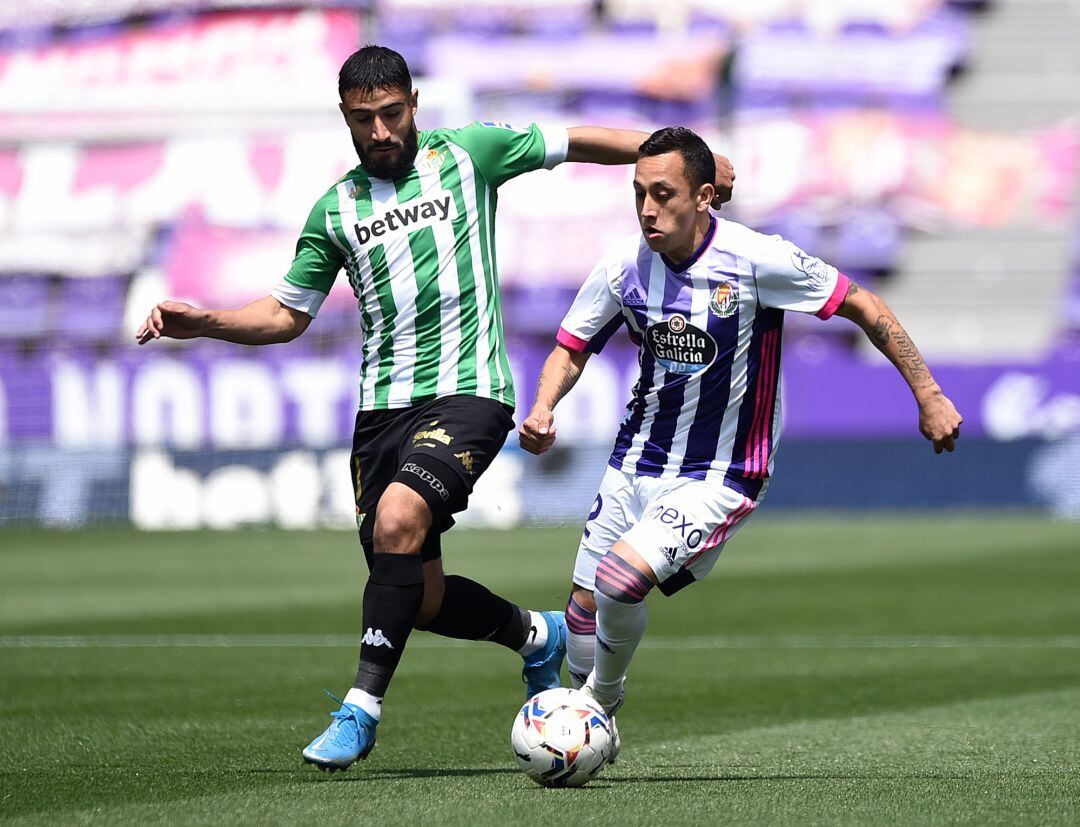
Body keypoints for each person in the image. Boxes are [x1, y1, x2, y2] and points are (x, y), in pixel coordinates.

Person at [134, 48, 736, 772]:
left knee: (398, 518)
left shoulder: (468, 154)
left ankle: (361, 708)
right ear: (347, 120)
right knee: (418, 595)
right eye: (366, 120)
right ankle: (536, 636)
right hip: (380, 414)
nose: (382, 130)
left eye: (392, 114)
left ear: (414, 103)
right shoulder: (336, 211)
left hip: (471, 391)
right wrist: (208, 322)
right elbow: (286, 314)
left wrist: (684, 162)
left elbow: (572, 141)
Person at [518, 126, 962, 760]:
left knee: (620, 582)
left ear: (703, 197)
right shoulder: (623, 265)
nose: (647, 209)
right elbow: (572, 343)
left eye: (663, 194)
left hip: (721, 472)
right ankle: (590, 710)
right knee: (584, 610)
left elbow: (863, 303)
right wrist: (542, 406)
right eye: (639, 193)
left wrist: (928, 392)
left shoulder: (758, 260)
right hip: (634, 461)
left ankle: (600, 708)